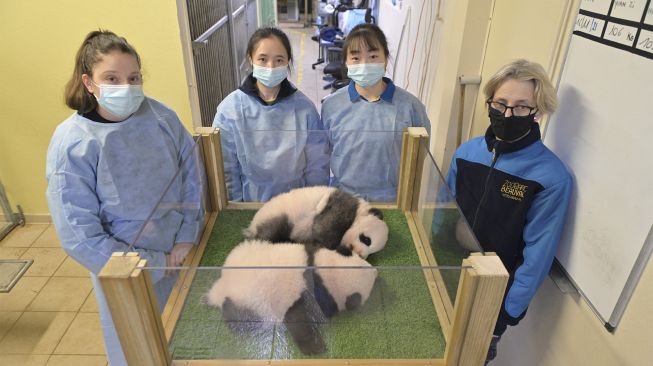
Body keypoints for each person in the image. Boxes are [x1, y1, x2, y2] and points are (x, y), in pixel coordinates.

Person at [46, 30, 204, 366]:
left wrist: (186, 237)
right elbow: (78, 234)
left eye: (133, 78)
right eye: (112, 78)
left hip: (179, 253)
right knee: (133, 347)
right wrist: (146, 264)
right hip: (124, 269)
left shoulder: (162, 117)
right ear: (89, 83)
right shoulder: (73, 143)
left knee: (183, 338)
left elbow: (192, 176)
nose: (126, 87)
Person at [445, 59, 572, 364]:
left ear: (538, 112)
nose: (507, 114)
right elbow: (443, 212)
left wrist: (504, 314)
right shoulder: (466, 153)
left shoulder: (550, 178)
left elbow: (537, 255)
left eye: (521, 106)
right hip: (447, 276)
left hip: (492, 299)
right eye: (501, 103)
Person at [212, 27, 329, 202]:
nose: (271, 67)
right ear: (251, 59)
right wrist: (235, 210)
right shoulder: (230, 110)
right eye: (263, 59)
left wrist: (313, 203)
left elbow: (317, 165)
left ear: (288, 61)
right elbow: (226, 169)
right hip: (250, 204)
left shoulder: (304, 109)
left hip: (296, 203)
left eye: (279, 60)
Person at [321, 23, 431, 202]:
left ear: (386, 59)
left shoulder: (411, 107)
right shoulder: (332, 105)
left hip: (392, 200)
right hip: (344, 198)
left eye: (373, 56)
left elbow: (419, 157)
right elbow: (324, 152)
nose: (364, 64)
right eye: (356, 58)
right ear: (347, 62)